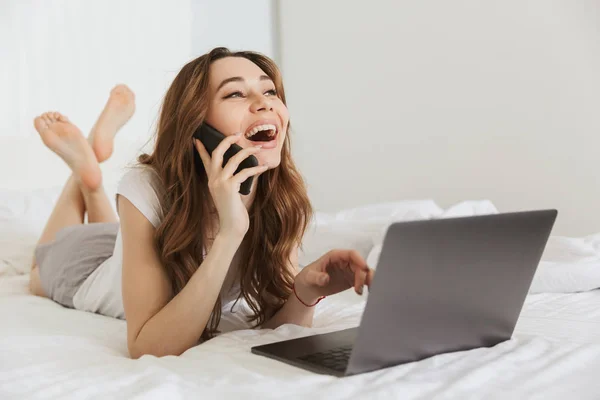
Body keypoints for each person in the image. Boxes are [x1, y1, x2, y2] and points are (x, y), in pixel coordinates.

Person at [28, 47, 374, 358]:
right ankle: (84, 175)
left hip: (126, 247)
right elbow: (146, 346)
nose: (265, 102)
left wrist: (305, 291)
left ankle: (91, 175)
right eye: (236, 93)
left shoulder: (279, 194)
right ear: (196, 125)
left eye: (269, 90)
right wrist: (230, 233)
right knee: (35, 271)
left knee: (118, 237)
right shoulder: (147, 187)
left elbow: (275, 325)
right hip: (88, 268)